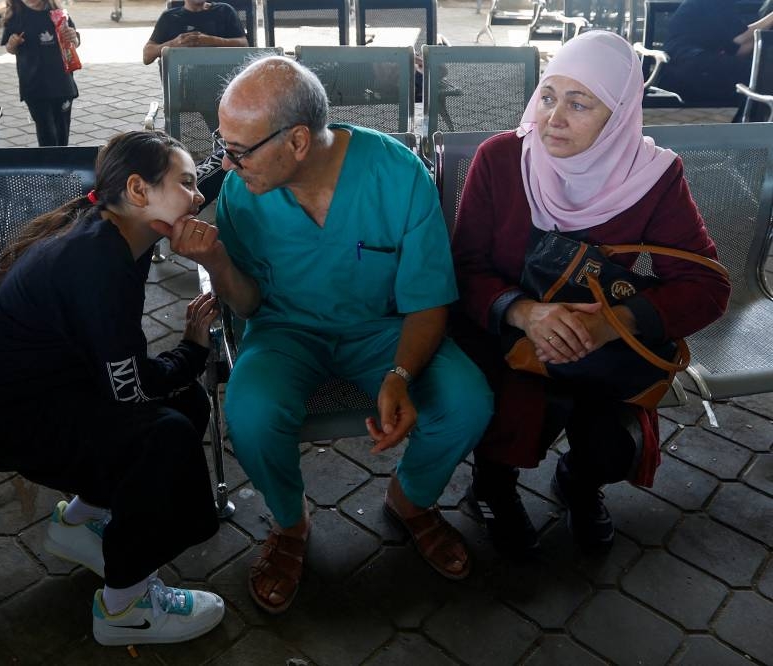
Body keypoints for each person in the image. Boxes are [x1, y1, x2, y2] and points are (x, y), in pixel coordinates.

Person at [152, 56, 494, 614]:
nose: (226, 164)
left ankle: (411, 500)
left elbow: (429, 298)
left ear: (298, 142)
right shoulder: (243, 191)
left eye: (239, 150)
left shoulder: (397, 175)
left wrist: (400, 374)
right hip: (285, 331)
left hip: (384, 328)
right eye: (223, 145)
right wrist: (216, 260)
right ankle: (291, 523)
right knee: (251, 413)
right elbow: (248, 304)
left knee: (468, 402)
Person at [451, 31, 731, 557]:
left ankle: (579, 482)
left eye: (579, 104)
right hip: (504, 330)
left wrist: (606, 324)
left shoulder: (650, 176)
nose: (553, 118)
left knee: (612, 444)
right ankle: (491, 486)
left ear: (618, 115)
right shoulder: (503, 159)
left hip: (596, 341)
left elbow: (706, 285)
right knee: (513, 401)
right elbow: (465, 268)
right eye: (548, 96)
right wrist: (525, 313)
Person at [0, 131, 226, 646]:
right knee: (164, 436)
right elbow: (131, 390)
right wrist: (192, 349)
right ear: (139, 190)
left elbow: (192, 190)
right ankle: (126, 607)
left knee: (185, 400)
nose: (195, 199)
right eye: (185, 184)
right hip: (9, 415)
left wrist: (225, 163)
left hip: (43, 386)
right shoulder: (96, 264)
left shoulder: (120, 221)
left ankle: (80, 522)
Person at [657, 0, 773, 110]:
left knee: (759, 73)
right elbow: (738, 42)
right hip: (683, 68)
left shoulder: (725, 5)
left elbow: (738, 49)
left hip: (688, 65)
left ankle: (751, 118)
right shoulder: (714, 3)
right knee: (761, 74)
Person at [2, 0, 81, 147]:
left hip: (62, 85)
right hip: (34, 86)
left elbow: (75, 42)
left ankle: (62, 159)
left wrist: (73, 37)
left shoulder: (58, 13)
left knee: (62, 132)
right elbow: (9, 47)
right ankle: (49, 160)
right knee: (46, 133)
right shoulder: (16, 15)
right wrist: (12, 44)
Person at [143, 0, 247, 66]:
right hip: (181, 84)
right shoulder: (169, 17)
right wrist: (173, 44)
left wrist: (213, 41)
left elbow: (244, 45)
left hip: (219, 79)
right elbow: (147, 57)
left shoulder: (224, 11)